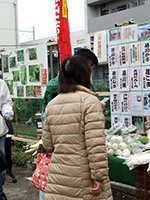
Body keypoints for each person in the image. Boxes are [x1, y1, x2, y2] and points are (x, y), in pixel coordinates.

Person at [42, 55, 112, 200]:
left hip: (58, 178)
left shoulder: (52, 104)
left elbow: (48, 145)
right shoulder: (90, 102)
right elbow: (95, 145)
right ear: (85, 74)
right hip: (85, 180)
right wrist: (99, 176)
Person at [0, 79, 14, 200]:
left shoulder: (1, 83)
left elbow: (6, 102)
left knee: (1, 163)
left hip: (0, 131)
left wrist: (8, 112)